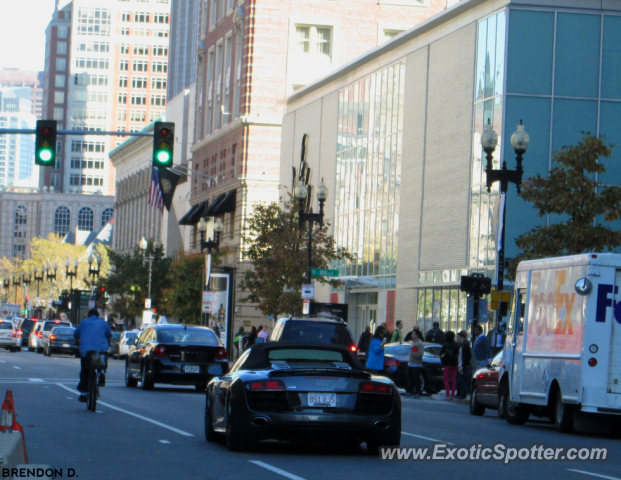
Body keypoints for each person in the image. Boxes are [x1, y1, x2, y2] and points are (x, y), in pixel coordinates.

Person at [74, 308, 112, 403]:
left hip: (86, 352)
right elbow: (109, 334)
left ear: (88, 315)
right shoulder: (103, 323)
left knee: (84, 370)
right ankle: (102, 372)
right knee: (101, 361)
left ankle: (84, 393)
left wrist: (79, 339)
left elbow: (75, 334)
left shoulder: (83, 323)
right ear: (98, 315)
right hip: (101, 351)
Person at [440, 331, 459, 400]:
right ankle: (452, 394)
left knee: (446, 379)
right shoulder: (456, 344)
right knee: (454, 379)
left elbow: (441, 354)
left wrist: (442, 361)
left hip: (447, 363)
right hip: (455, 363)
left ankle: (447, 394)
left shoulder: (445, 344)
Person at [405, 329, 424, 398]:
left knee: (416, 379)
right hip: (410, 363)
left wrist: (413, 353)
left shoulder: (420, 343)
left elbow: (420, 354)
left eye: (413, 334)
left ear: (417, 335)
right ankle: (410, 391)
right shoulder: (413, 342)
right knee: (410, 379)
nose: (412, 335)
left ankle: (418, 392)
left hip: (416, 364)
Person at [456, 330, 472, 400]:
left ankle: (463, 394)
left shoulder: (465, 345)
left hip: (464, 366)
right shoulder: (462, 345)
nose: (457, 339)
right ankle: (460, 393)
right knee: (460, 380)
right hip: (461, 365)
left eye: (458, 337)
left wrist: (462, 366)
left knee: (463, 381)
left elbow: (466, 357)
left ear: (462, 337)